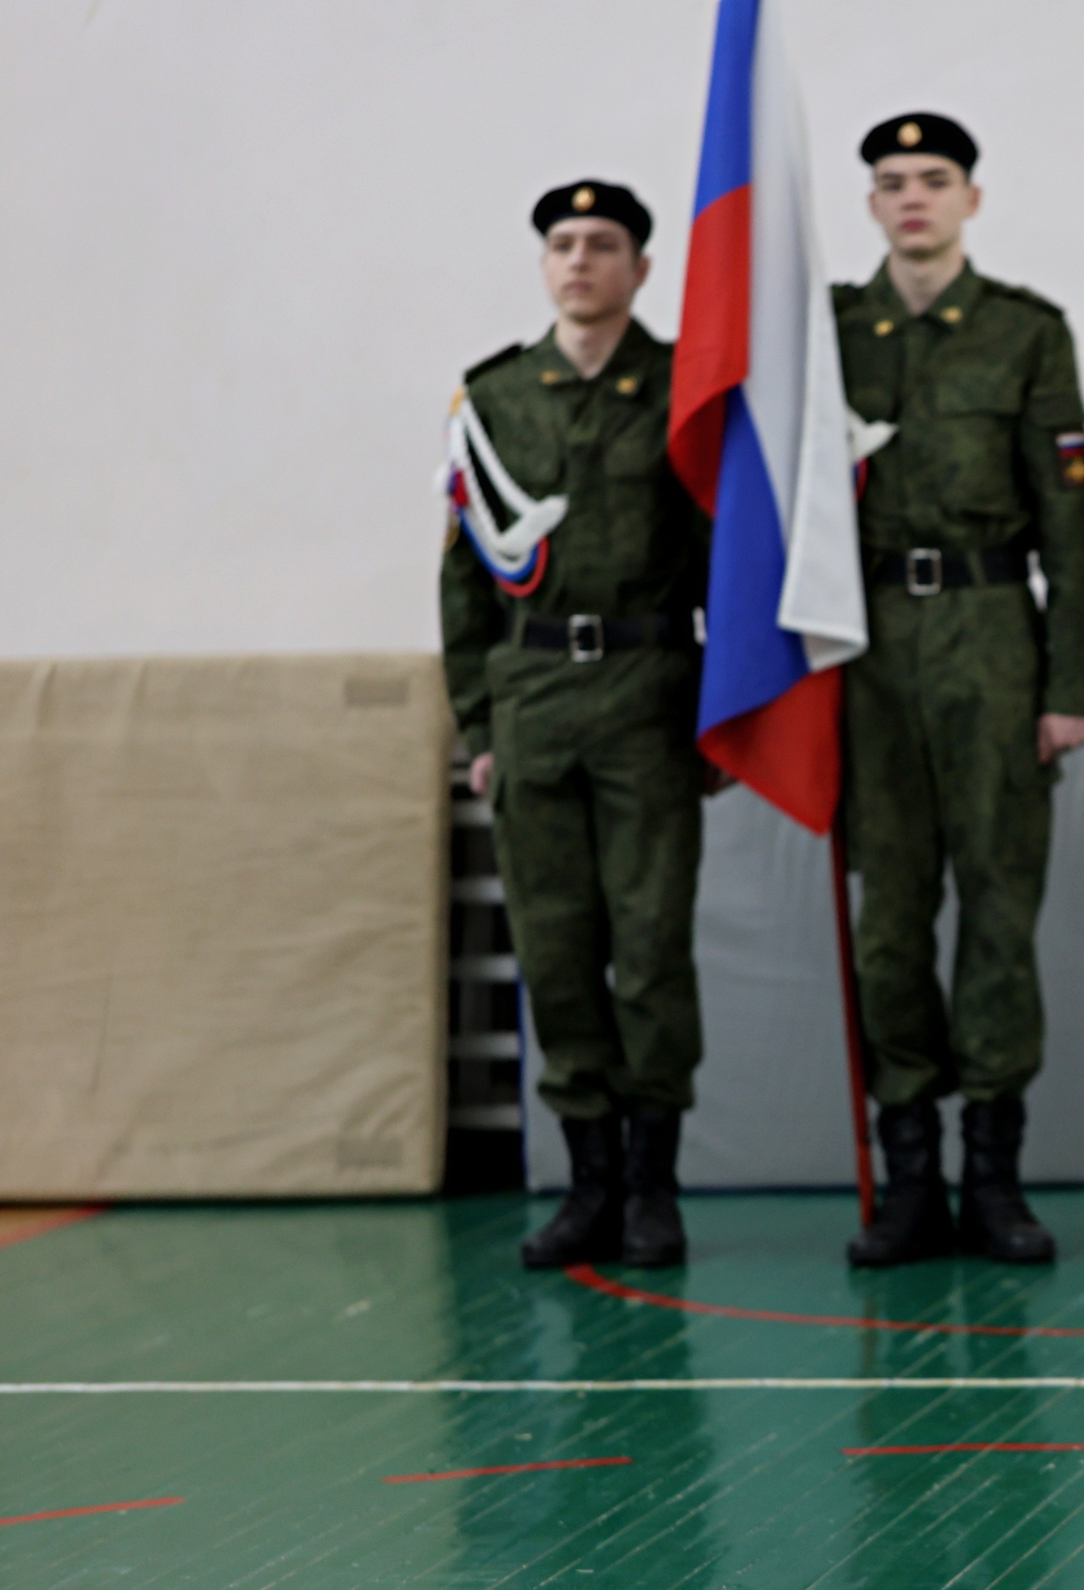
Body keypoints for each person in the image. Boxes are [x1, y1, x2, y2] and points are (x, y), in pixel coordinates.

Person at [834, 113, 1084, 1267]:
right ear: (871, 204)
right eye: (892, 181)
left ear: (970, 200)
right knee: (888, 923)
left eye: (933, 179)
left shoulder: (1025, 331)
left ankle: (992, 1177)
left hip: (993, 634)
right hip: (864, 647)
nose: (913, 197)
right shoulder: (824, 334)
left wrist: (1071, 682)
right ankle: (909, 1179)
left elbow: (1067, 517)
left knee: (997, 912)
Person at [440, 180, 713, 1271]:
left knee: (649, 949)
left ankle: (652, 1185)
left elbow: (725, 558)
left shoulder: (689, 389)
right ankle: (588, 1182)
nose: (580, 261)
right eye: (562, 243)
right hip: (535, 698)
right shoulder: (495, 398)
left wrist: (721, 715)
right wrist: (479, 725)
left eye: (603, 244)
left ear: (640, 269)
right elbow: (465, 575)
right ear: (544, 263)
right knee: (555, 951)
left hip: (650, 692)